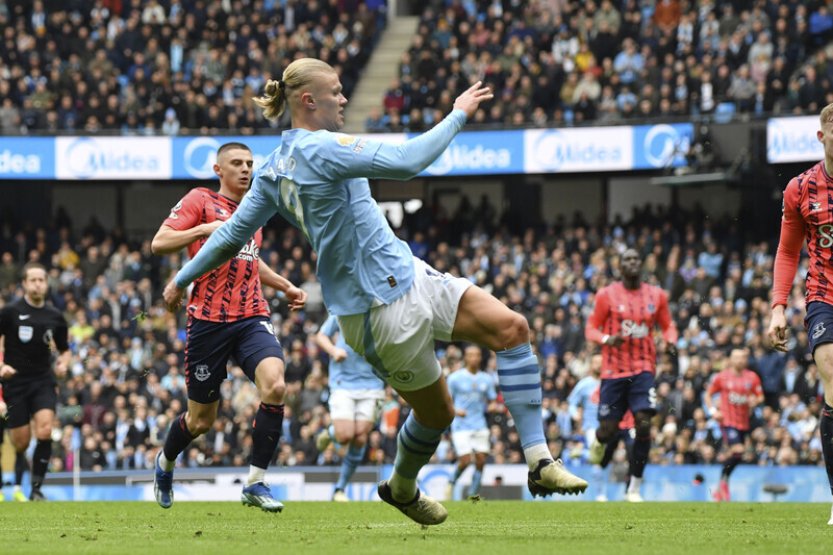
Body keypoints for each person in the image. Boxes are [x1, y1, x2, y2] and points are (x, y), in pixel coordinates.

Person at [162, 58, 587, 526]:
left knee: (513, 328)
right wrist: (458, 111)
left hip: (410, 273)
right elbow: (408, 162)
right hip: (377, 313)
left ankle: (540, 462)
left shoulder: (272, 168)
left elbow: (228, 237)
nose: (344, 99)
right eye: (337, 92)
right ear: (309, 101)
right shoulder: (319, 150)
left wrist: (180, 279)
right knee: (438, 413)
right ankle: (402, 487)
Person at [150, 142, 307, 513]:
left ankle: (255, 482)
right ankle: (165, 463)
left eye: (250, 163)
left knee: (276, 384)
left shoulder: (255, 209)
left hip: (252, 316)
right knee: (201, 421)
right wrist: (205, 228)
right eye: (236, 163)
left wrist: (283, 284)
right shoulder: (199, 200)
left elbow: (249, 261)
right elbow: (160, 243)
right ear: (218, 169)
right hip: (208, 323)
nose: (245, 169)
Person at [768, 102, 833, 525]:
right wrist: (777, 307)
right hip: (825, 297)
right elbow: (788, 250)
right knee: (831, 369)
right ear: (822, 137)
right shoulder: (801, 188)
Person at [585, 248, 678, 502]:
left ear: (642, 265)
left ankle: (634, 487)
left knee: (644, 423)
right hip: (613, 370)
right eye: (627, 259)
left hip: (643, 368)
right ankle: (599, 440)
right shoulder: (607, 295)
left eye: (637, 258)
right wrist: (606, 338)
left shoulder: (656, 295)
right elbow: (591, 328)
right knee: (608, 429)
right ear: (620, 266)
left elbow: (668, 325)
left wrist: (670, 340)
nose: (633, 262)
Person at [0, 262, 70, 501]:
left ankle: (37, 489)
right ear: (24, 284)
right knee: (21, 442)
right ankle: (22, 470)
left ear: (46, 284)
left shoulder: (55, 316)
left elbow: (64, 349)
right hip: (15, 383)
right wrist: (1, 366)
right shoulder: (10, 312)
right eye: (33, 280)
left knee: (46, 430)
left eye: (42, 280)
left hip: (43, 380)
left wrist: (63, 363)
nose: (38, 284)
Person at [314, 312, 386, 501]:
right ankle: (331, 433)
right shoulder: (342, 311)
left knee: (360, 438)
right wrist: (334, 350)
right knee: (345, 436)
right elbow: (321, 336)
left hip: (372, 384)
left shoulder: (382, 314)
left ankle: (340, 489)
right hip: (343, 382)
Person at [703, 348, 763, 502]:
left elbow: (760, 396)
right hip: (727, 421)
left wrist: (755, 401)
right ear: (730, 359)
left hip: (744, 422)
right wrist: (712, 411)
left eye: (743, 357)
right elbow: (708, 394)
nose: (740, 360)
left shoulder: (752, 377)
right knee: (738, 450)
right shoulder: (722, 377)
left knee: (739, 455)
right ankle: (722, 484)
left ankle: (722, 483)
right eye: (737, 357)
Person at [445, 345, 497, 500]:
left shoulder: (486, 379)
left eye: (477, 355)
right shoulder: (455, 378)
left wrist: (492, 406)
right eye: (471, 355)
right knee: (466, 460)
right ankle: (451, 482)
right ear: (465, 358)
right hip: (461, 426)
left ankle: (473, 495)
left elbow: (492, 399)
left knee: (481, 460)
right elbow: (446, 401)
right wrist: (455, 410)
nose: (474, 358)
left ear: (480, 358)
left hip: (479, 424)